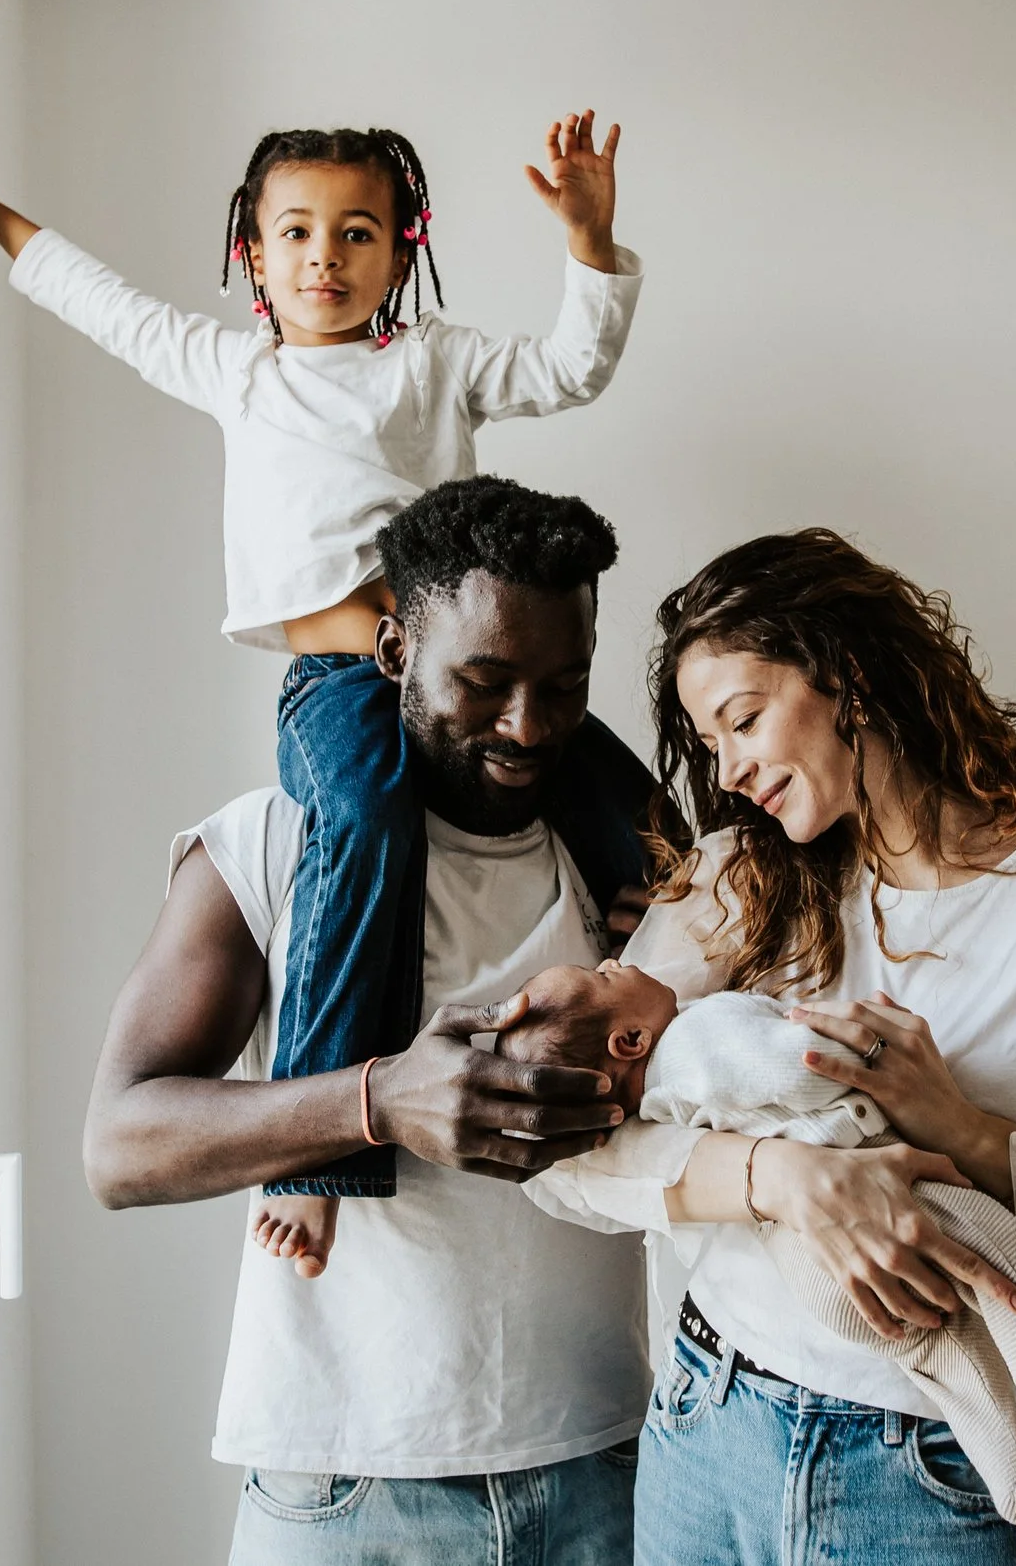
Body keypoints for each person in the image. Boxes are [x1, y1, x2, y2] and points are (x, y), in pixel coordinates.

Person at [528, 529, 1016, 1563]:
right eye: (711, 743)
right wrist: (779, 1176)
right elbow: (561, 1151)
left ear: (846, 674)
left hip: (943, 1479)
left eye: (745, 719)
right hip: (708, 1430)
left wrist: (977, 1138)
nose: (731, 769)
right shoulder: (733, 879)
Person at [0, 119, 653, 1266]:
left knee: (629, 797)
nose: (323, 256)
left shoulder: (432, 362)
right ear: (251, 249)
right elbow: (109, 306)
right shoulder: (236, 369)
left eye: (355, 232)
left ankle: (659, 960)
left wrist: (589, 241)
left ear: (401, 251)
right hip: (342, 681)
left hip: (467, 681)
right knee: (365, 817)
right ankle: (318, 1147)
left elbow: (570, 367)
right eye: (294, 232)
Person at [83, 478, 660, 1565]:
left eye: (563, 685)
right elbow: (119, 1144)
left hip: (608, 1466)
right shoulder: (267, 845)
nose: (527, 725)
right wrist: (376, 1097)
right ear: (394, 652)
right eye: (483, 682)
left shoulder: (627, 874)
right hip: (347, 1495)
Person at [492, 963, 1016, 1532]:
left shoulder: (655, 1101)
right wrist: (843, 1047)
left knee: (942, 1351)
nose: (615, 958)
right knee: (1000, 1250)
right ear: (630, 1038)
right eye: (604, 974)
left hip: (815, 1276)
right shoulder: (698, 1033)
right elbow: (791, 1069)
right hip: (892, 1200)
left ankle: (1012, 1467)